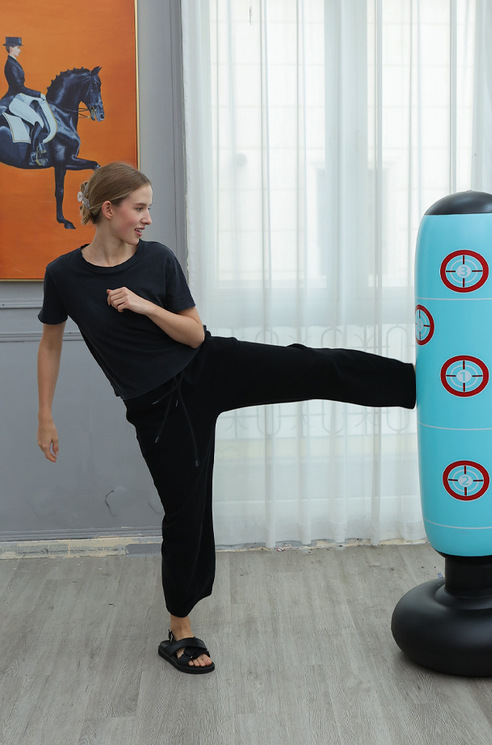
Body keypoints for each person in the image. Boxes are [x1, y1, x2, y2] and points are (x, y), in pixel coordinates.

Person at [37, 162, 416, 675]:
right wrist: (45, 415)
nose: (147, 218)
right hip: (157, 407)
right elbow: (50, 344)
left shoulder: (157, 260)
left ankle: (417, 383)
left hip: (208, 366)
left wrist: (146, 307)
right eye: (140, 208)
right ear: (109, 209)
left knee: (308, 365)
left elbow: (195, 335)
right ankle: (180, 627)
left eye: (149, 208)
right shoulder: (64, 275)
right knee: (186, 513)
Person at [2, 36, 49, 165]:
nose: (20, 50)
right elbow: (19, 87)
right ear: (10, 48)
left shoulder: (14, 62)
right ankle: (33, 154)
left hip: (19, 96)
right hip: (13, 99)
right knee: (38, 122)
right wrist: (38, 94)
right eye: (18, 47)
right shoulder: (10, 65)